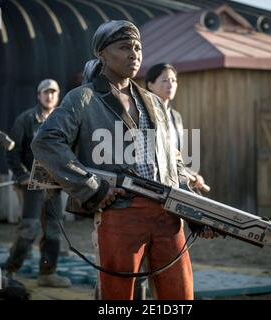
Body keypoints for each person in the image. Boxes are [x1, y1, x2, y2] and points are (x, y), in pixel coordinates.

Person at [31, 20, 218, 300]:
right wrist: (91, 187)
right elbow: (45, 142)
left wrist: (192, 210)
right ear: (102, 54)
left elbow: (170, 164)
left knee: (180, 295)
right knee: (118, 298)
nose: (135, 54)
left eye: (138, 48)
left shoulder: (153, 103)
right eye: (125, 47)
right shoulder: (83, 98)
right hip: (120, 210)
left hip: (167, 213)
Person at [4, 79, 71, 288]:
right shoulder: (25, 120)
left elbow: (69, 151)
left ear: (58, 96)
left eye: (53, 92)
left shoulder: (64, 120)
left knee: (53, 232)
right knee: (29, 229)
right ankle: (8, 271)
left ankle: (47, 273)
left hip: (54, 185)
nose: (49, 96)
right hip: (32, 185)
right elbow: (12, 153)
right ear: (38, 95)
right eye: (45, 92)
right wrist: (21, 175)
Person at [145, 63, 206, 192]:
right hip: (154, 179)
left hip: (174, 178)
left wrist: (192, 174)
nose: (170, 84)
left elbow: (176, 156)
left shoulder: (176, 116)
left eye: (173, 80)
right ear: (150, 85)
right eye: (165, 80)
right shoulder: (144, 113)